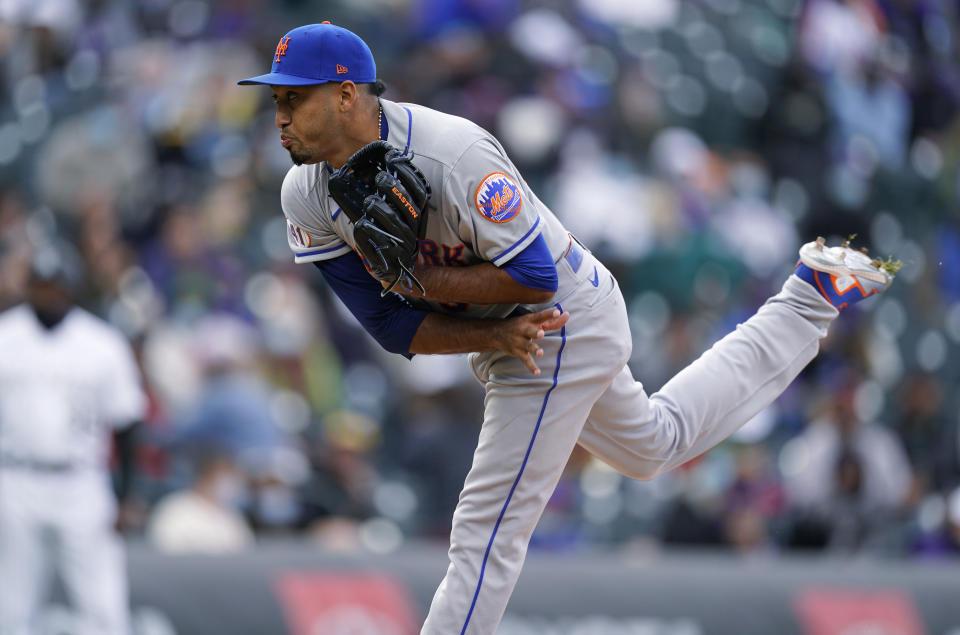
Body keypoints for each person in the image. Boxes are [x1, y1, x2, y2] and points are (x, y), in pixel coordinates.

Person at [238, 23, 895, 634]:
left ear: (348, 93)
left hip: (560, 318)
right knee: (653, 444)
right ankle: (812, 295)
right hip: (507, 335)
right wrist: (485, 335)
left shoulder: (454, 151)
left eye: (294, 99)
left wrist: (428, 286)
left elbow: (534, 278)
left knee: (485, 529)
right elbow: (386, 323)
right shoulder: (304, 195)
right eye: (276, 102)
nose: (281, 117)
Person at [0, 244, 147, 635]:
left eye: (56, 287)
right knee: (11, 607)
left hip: (81, 482)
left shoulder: (101, 344)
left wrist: (128, 493)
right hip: (15, 479)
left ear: (72, 289)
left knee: (102, 607)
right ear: (29, 287)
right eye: (41, 286)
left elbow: (128, 422)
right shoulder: (5, 337)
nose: (49, 295)